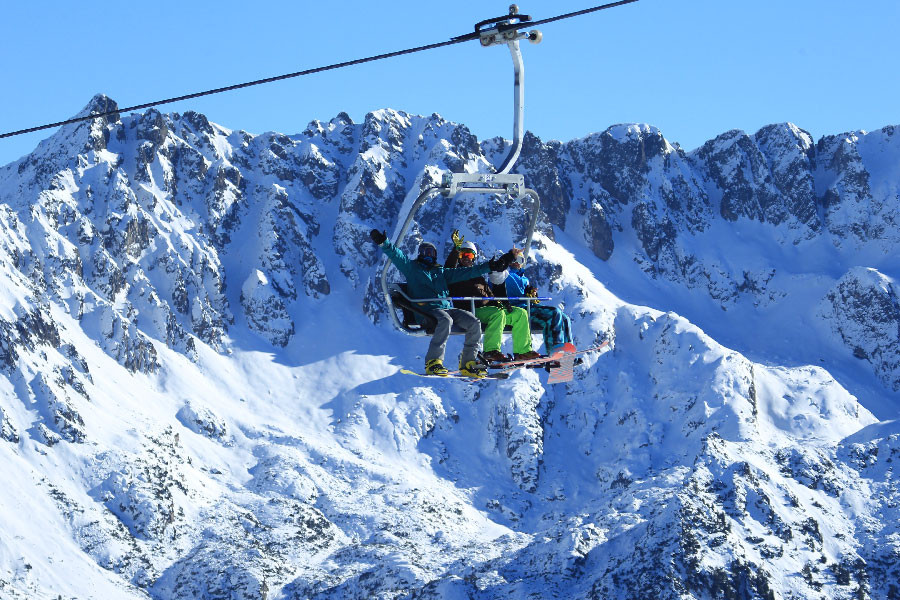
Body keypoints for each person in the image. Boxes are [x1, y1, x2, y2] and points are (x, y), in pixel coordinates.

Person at [370, 229, 516, 378]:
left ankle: (468, 362)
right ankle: (434, 362)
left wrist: (489, 267)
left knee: (474, 322)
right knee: (446, 320)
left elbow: (467, 272)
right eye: (426, 252)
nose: (429, 255)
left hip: (447, 309)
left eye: (432, 253)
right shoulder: (412, 268)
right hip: (426, 310)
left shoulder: (441, 272)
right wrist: (384, 242)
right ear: (420, 254)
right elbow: (397, 255)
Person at [445, 231, 541, 364]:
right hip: (470, 311)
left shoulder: (478, 275)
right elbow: (447, 269)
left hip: (489, 309)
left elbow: (496, 271)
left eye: (469, 255)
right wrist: (455, 250)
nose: (466, 258)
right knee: (497, 314)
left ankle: (522, 351)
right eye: (463, 254)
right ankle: (491, 351)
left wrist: (511, 256)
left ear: (474, 257)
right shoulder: (454, 274)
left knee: (520, 313)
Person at [489, 249, 574, 355]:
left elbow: (524, 295)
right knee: (554, 313)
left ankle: (568, 353)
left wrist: (532, 295)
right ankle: (554, 353)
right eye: (515, 259)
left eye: (520, 260)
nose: (517, 262)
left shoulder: (523, 278)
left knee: (564, 318)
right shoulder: (506, 274)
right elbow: (509, 286)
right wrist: (527, 293)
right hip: (516, 308)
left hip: (527, 306)